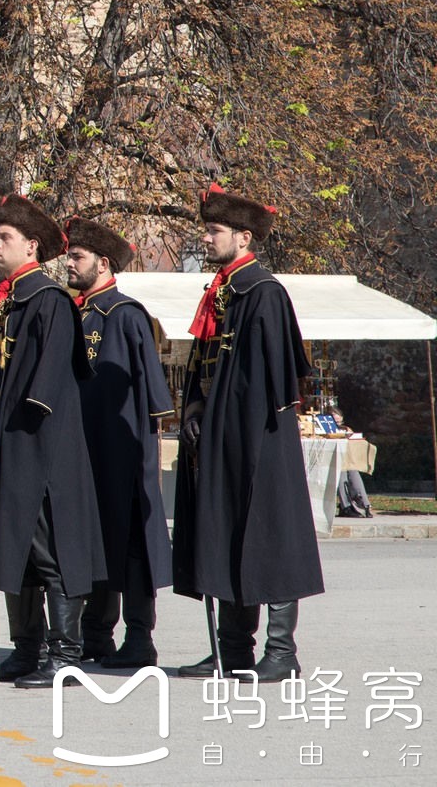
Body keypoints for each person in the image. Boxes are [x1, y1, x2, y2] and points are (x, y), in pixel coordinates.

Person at [172, 186, 323, 683]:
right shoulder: (221, 292)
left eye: (214, 231)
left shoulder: (263, 293)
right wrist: (194, 406)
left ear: (243, 236)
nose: (206, 237)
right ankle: (232, 649)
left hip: (259, 438)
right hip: (221, 435)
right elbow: (203, 366)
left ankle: (281, 652)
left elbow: (272, 382)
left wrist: (233, 428)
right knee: (227, 534)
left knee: (272, 538)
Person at [0, 195, 105, 689]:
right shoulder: (5, 303)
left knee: (50, 549)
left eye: (4, 239)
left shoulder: (49, 301)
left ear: (32, 247)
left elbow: (46, 386)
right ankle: (28, 647)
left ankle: (65, 654)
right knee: (14, 546)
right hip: (5, 441)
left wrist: (9, 424)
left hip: (40, 448)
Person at [63, 216, 173, 669]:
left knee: (131, 545)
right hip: (86, 448)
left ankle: (140, 638)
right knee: (94, 539)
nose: (69, 264)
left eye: (77, 257)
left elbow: (151, 390)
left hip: (124, 449)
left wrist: (143, 452)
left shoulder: (126, 314)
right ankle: (96, 632)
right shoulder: (76, 312)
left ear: (102, 263)